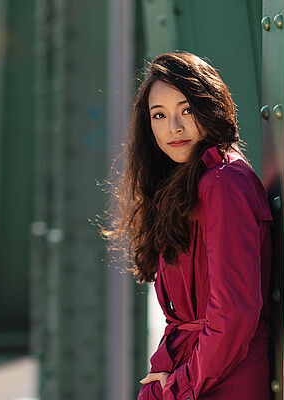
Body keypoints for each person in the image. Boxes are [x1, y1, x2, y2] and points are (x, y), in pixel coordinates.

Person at [106, 51, 273, 399]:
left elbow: (234, 312)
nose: (174, 128)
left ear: (210, 107)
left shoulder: (223, 183)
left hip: (218, 380)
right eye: (159, 115)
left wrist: (180, 386)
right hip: (199, 373)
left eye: (186, 110)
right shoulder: (189, 185)